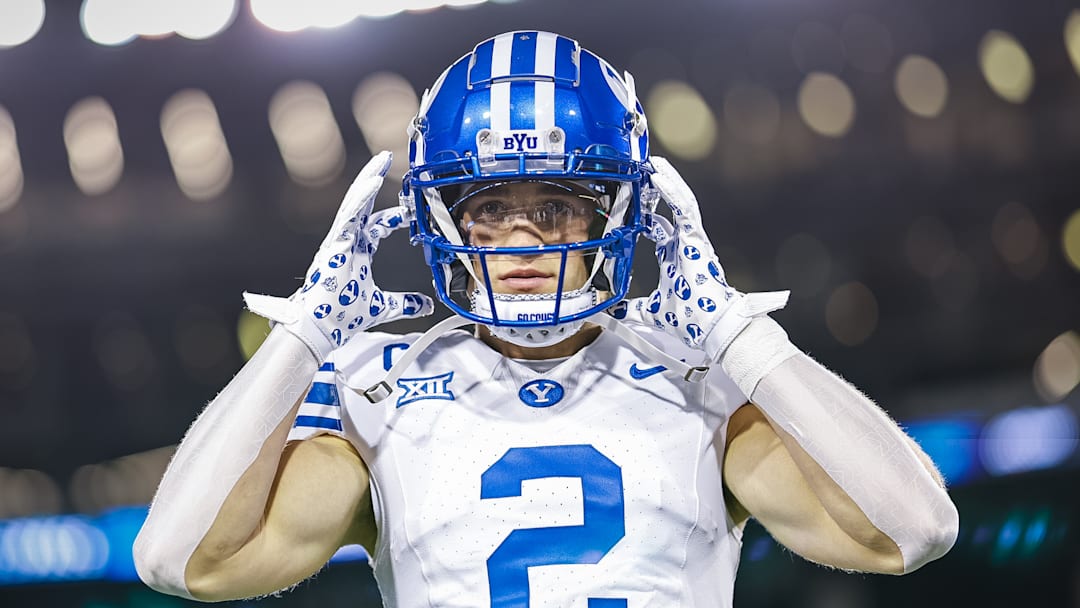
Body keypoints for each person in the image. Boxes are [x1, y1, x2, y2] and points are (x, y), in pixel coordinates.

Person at [133, 31, 959, 607]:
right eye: (491, 205)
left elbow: (914, 531)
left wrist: (738, 334)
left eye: (557, 204)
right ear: (442, 218)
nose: (522, 239)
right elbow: (181, 560)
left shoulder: (699, 378)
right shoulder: (376, 391)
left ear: (619, 213)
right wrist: (303, 335)